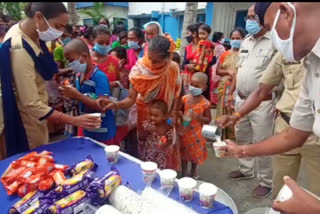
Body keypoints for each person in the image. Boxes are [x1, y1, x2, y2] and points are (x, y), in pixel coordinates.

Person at [216, 2, 320, 213]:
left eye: (271, 26)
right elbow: (292, 137)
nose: (273, 38)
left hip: (314, 140)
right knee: (283, 194)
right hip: (288, 122)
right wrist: (240, 150)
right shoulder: (312, 64)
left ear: (286, 13)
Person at [0, 2, 101, 160]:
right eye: (57, 26)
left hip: (39, 111)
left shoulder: (32, 32)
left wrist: (64, 72)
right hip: (28, 119)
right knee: (34, 159)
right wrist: (74, 120)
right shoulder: (19, 49)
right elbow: (30, 103)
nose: (60, 33)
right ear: (39, 17)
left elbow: (37, 69)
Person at [221, 4, 277, 198]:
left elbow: (283, 75)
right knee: (242, 135)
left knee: (262, 141)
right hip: (241, 99)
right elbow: (239, 69)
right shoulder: (246, 41)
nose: (250, 20)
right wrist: (230, 92)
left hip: (264, 102)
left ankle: (266, 181)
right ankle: (246, 170)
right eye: (249, 16)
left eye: (254, 16)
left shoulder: (276, 41)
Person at [96, 35, 181, 162]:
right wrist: (116, 105)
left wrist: (173, 112)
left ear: (168, 58)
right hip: (145, 118)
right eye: (150, 58)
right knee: (146, 149)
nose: (151, 64)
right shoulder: (139, 69)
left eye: (157, 61)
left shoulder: (173, 68)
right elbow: (131, 99)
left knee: (164, 147)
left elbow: (176, 93)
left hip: (165, 116)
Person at [60, 38, 116, 144]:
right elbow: (83, 97)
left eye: (71, 60)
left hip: (102, 132)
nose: (69, 64)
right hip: (86, 128)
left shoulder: (99, 77)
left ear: (84, 57)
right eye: (67, 61)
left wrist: (77, 95)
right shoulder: (79, 75)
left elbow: (103, 106)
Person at [215, 28, 246, 141]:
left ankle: (236, 139)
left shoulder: (246, 54)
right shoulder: (225, 54)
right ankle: (222, 137)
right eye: (233, 38)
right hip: (224, 87)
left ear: (244, 39)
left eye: (238, 38)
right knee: (223, 110)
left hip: (239, 88)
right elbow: (218, 71)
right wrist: (228, 72)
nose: (235, 40)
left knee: (235, 111)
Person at [180, 72, 211, 179]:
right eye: (191, 84)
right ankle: (183, 173)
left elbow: (208, 120)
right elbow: (179, 111)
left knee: (195, 155)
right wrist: (181, 117)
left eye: (197, 86)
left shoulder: (205, 103)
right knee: (184, 154)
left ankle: (193, 172)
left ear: (204, 87)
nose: (193, 88)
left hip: (197, 134)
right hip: (185, 131)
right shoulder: (185, 99)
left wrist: (198, 117)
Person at [141, 99, 180, 170]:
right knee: (147, 167)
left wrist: (165, 143)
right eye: (151, 114)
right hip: (149, 152)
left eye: (156, 116)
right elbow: (143, 131)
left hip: (161, 155)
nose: (152, 118)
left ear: (164, 116)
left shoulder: (167, 126)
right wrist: (147, 128)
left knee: (159, 170)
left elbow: (170, 140)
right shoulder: (149, 123)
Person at [91, 25, 120, 89]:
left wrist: (114, 84)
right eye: (100, 43)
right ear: (93, 40)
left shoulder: (114, 61)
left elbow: (119, 81)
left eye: (107, 43)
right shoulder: (86, 61)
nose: (104, 45)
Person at [182, 23, 201, 93]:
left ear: (194, 34)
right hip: (188, 77)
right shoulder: (188, 47)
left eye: (188, 33)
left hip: (199, 76)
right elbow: (184, 63)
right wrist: (187, 65)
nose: (186, 36)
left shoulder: (203, 47)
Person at [211, 32, 226, 106]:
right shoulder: (221, 47)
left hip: (211, 67)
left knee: (211, 85)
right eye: (223, 37)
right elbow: (222, 59)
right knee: (215, 86)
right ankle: (214, 101)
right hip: (217, 66)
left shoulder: (212, 45)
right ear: (219, 38)